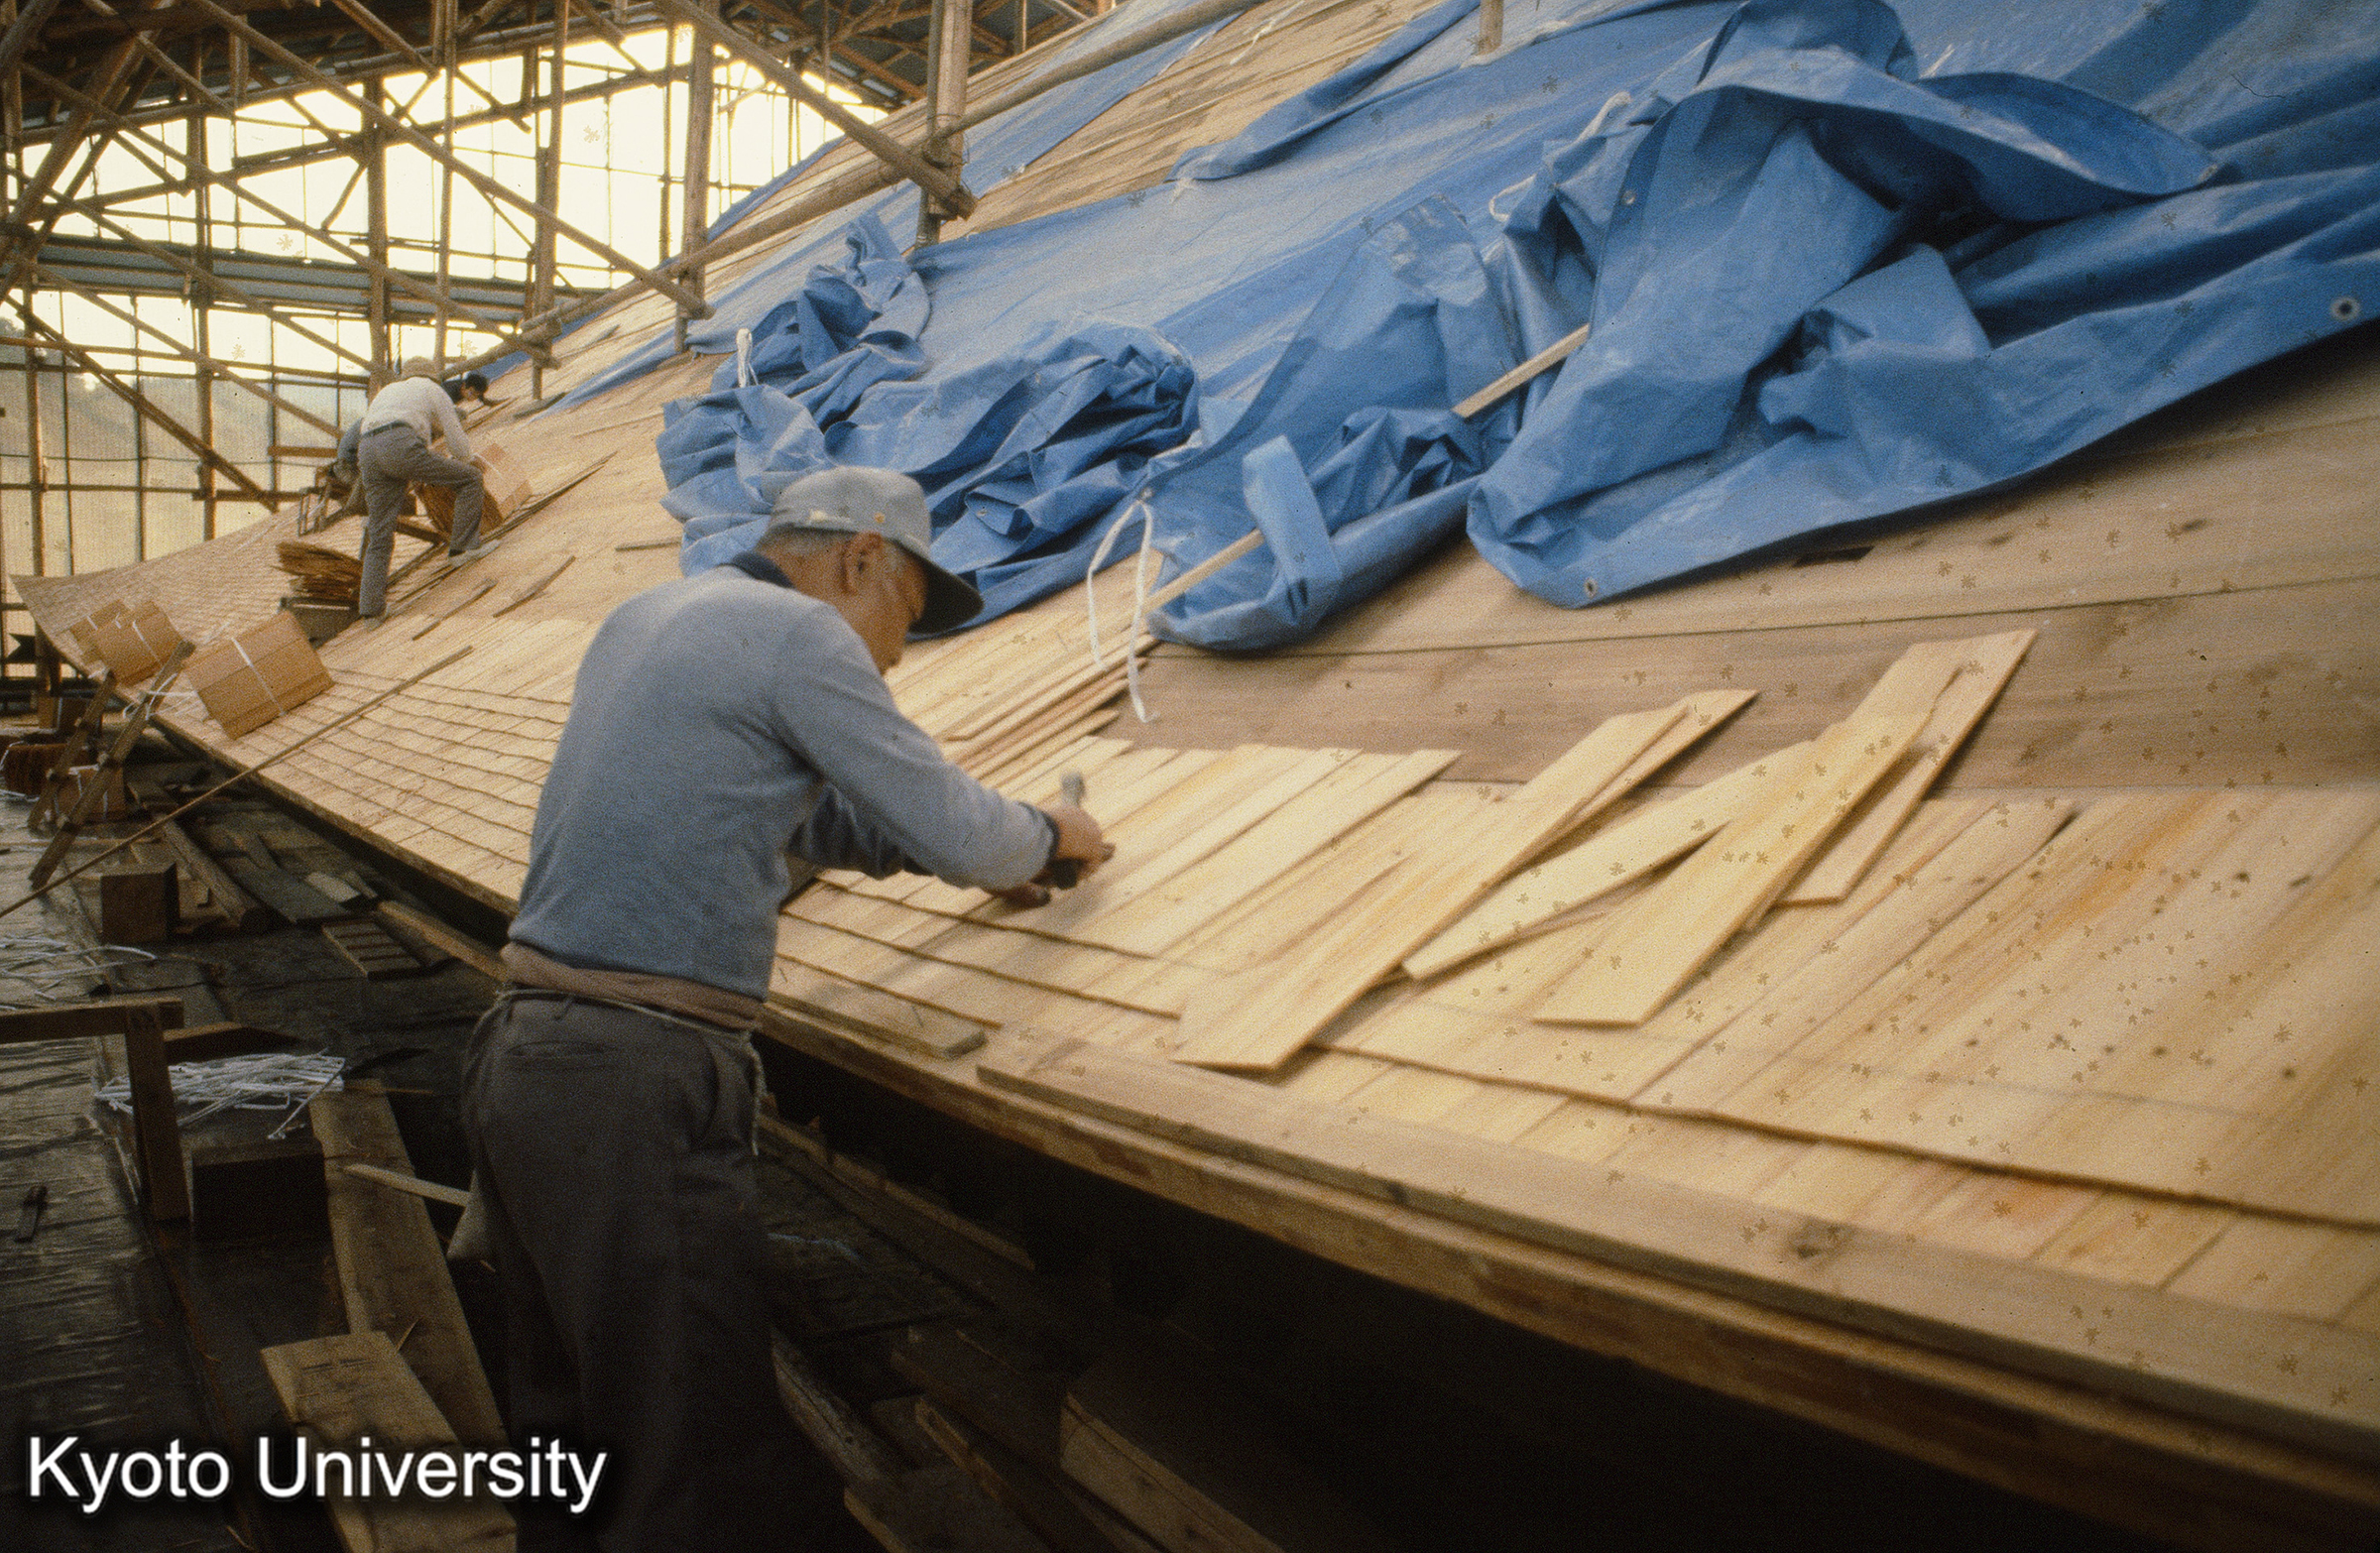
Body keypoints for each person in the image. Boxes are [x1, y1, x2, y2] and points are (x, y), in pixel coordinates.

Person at [461, 465, 1109, 1551]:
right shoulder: (798, 637)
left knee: (572, 1441)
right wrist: (1050, 834)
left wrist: (957, 858)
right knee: (685, 1461)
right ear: (860, 557)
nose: (897, 656)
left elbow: (808, 822)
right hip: (635, 1081)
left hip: (524, 1062)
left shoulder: (649, 617)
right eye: (903, 614)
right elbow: (957, 819)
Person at [355, 357, 496, 617]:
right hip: (398, 444)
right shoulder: (433, 389)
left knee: (380, 530)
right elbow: (455, 437)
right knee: (470, 479)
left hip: (367, 450)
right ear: (433, 377)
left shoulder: (388, 391)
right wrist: (468, 459)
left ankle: (371, 612)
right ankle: (462, 548)